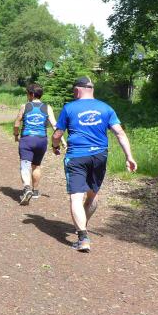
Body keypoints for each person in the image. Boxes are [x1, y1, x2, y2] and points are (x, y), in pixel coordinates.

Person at [51, 76, 137, 252]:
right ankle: (82, 226)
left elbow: (58, 134)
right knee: (92, 196)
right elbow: (120, 133)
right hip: (99, 156)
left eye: (73, 91)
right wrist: (129, 157)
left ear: (77, 90)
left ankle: (83, 237)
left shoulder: (69, 108)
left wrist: (55, 146)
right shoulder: (106, 108)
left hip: (77, 156)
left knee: (76, 197)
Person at [13, 83, 64, 205]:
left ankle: (27, 188)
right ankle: (35, 191)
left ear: (31, 94)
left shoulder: (25, 106)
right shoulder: (47, 107)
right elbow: (55, 125)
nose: (27, 96)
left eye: (27, 93)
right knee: (36, 166)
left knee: (25, 164)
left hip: (27, 139)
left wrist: (16, 135)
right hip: (41, 140)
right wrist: (62, 141)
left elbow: (16, 123)